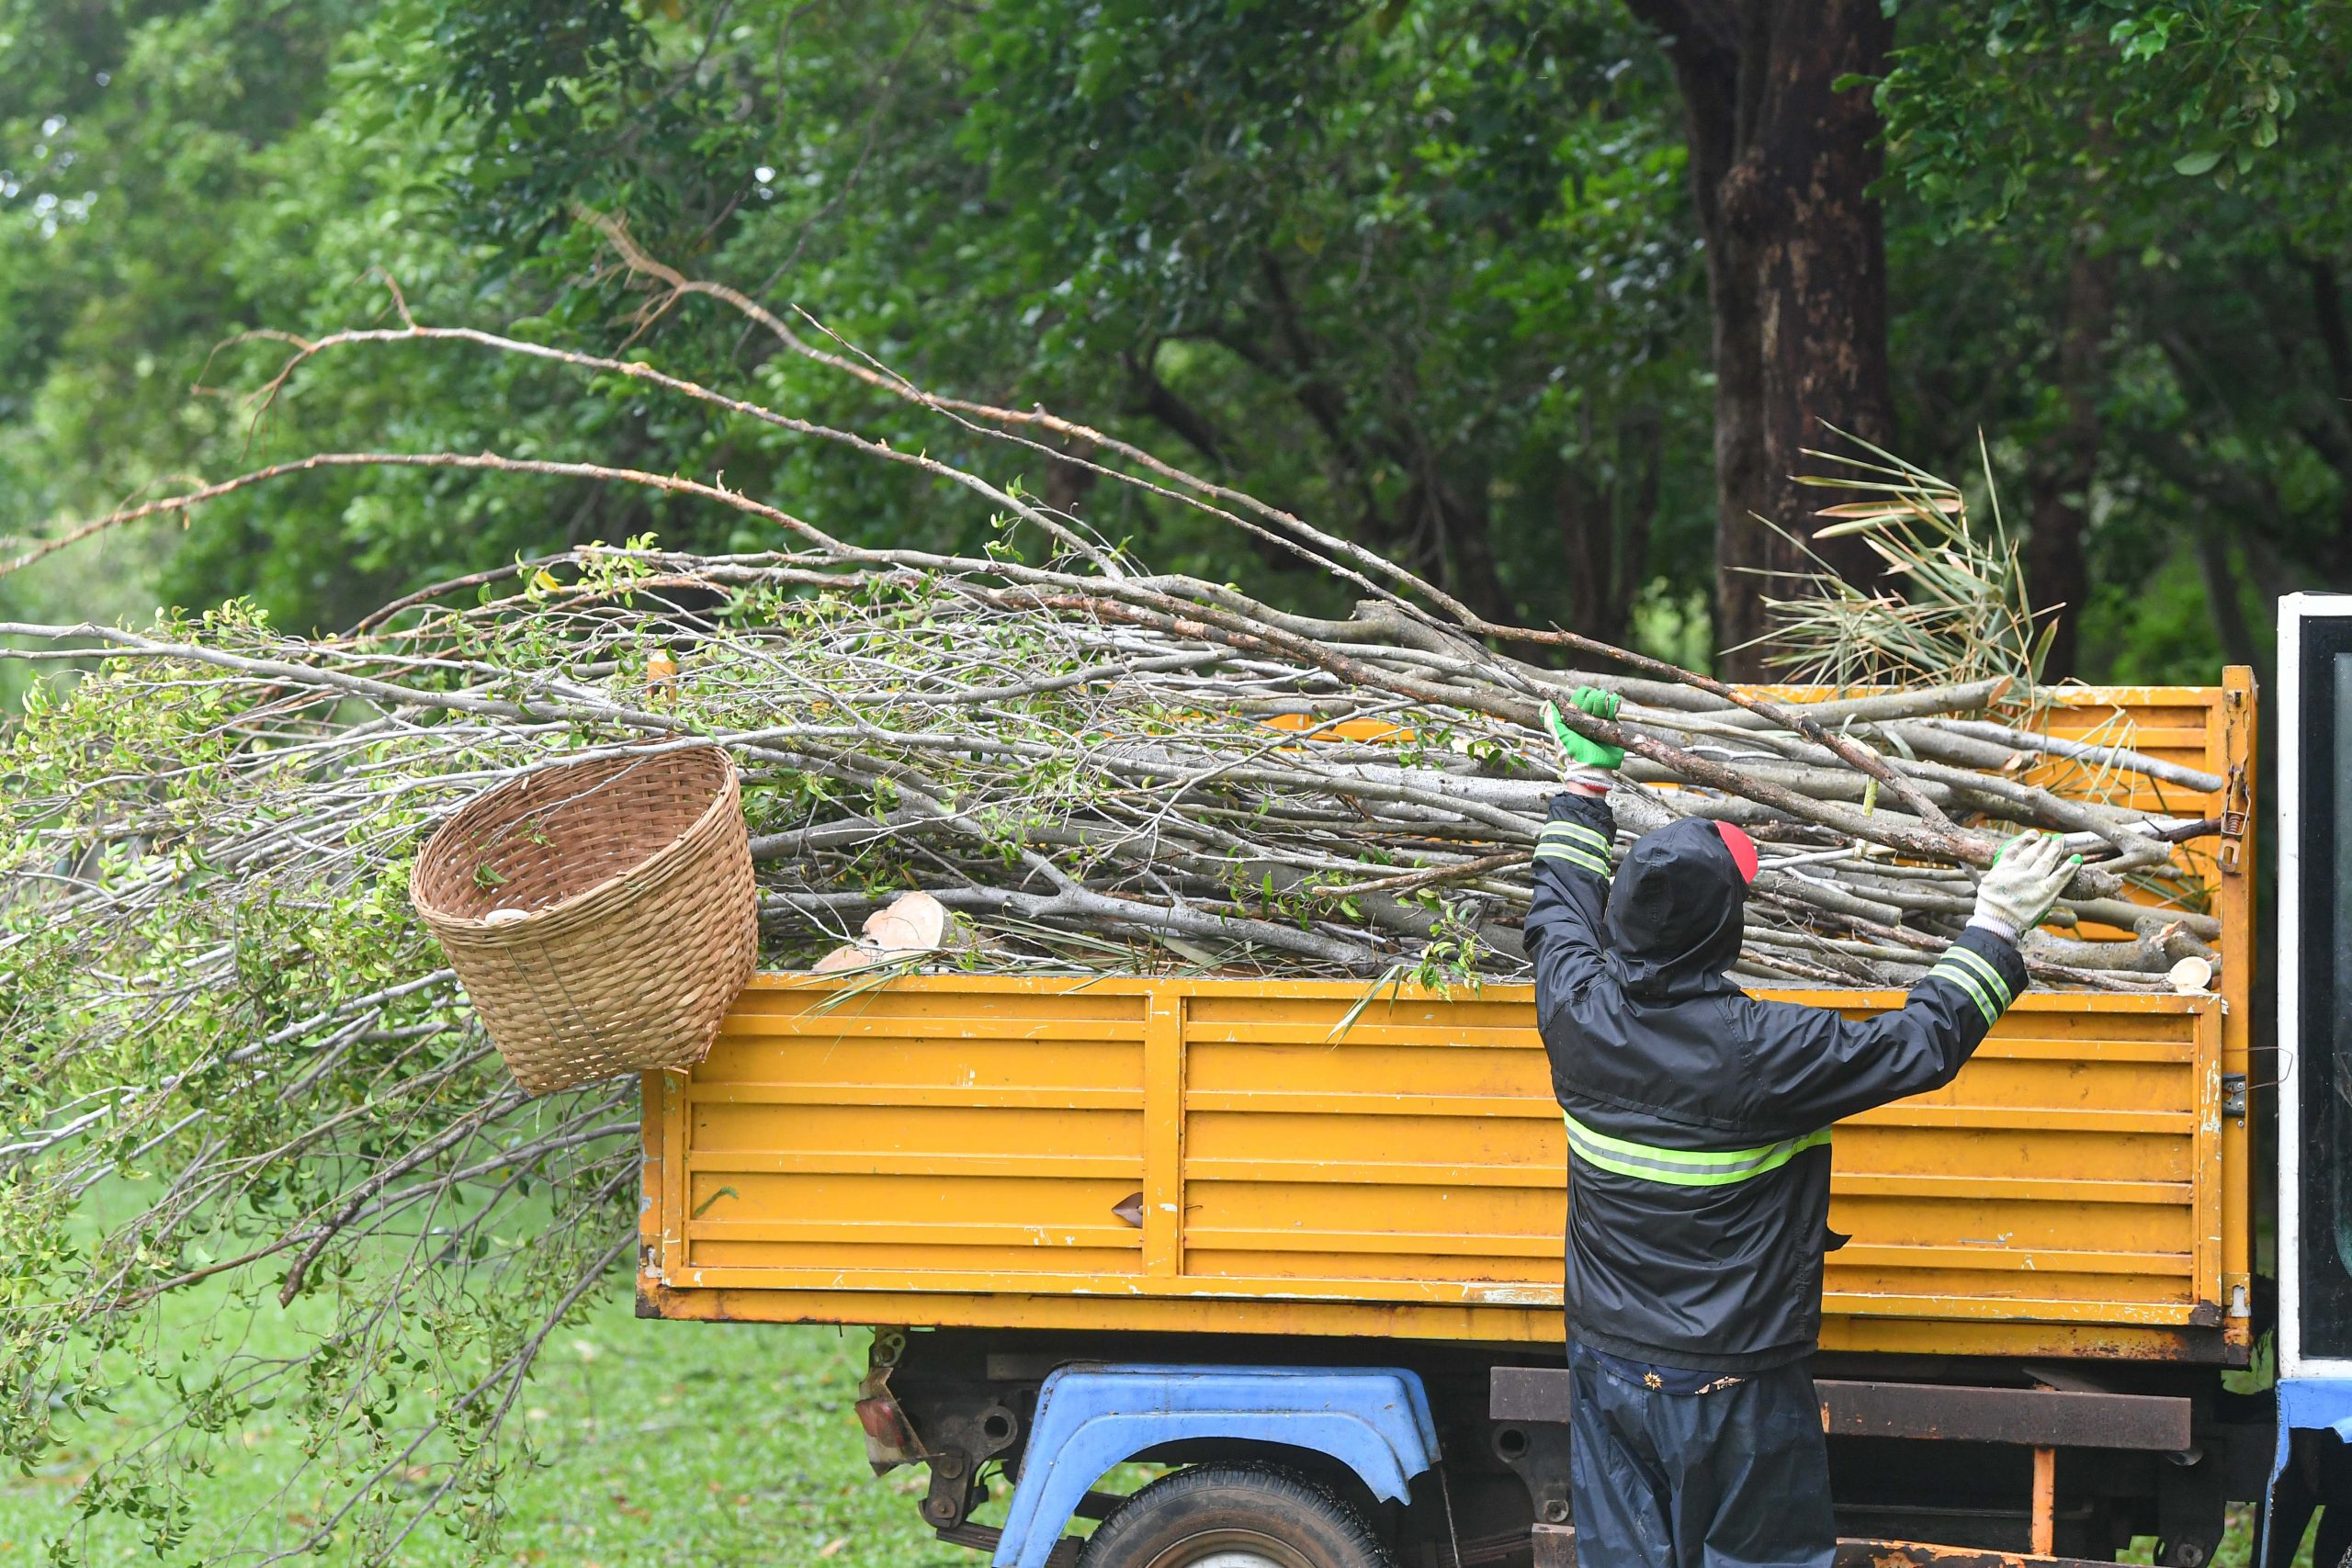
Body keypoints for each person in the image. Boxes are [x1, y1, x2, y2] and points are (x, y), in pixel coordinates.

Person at [1523, 686, 2080, 1568]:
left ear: (1619, 917)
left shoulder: (1574, 1005)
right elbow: (1920, 1043)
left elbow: (1557, 898)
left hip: (1607, 1362)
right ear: (1727, 931)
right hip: (1734, 1382)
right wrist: (1998, 925)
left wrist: (1584, 783)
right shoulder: (1767, 1049)